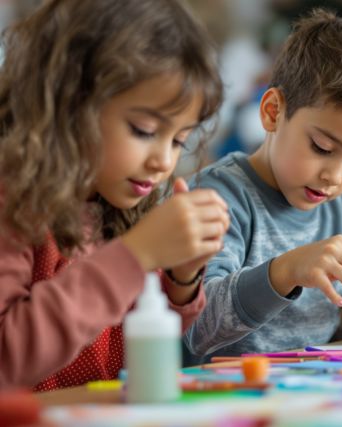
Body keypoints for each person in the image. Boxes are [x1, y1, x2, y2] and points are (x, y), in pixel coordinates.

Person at [184, 9, 342, 360]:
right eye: (322, 148)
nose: (335, 177)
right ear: (273, 112)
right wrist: (284, 272)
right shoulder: (215, 199)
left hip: (312, 391)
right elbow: (195, 326)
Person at [0, 0, 229, 390]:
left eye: (179, 141)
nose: (163, 161)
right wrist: (135, 255)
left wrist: (181, 277)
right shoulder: (14, 201)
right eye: (143, 130)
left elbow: (144, 337)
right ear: (70, 102)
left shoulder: (116, 202)